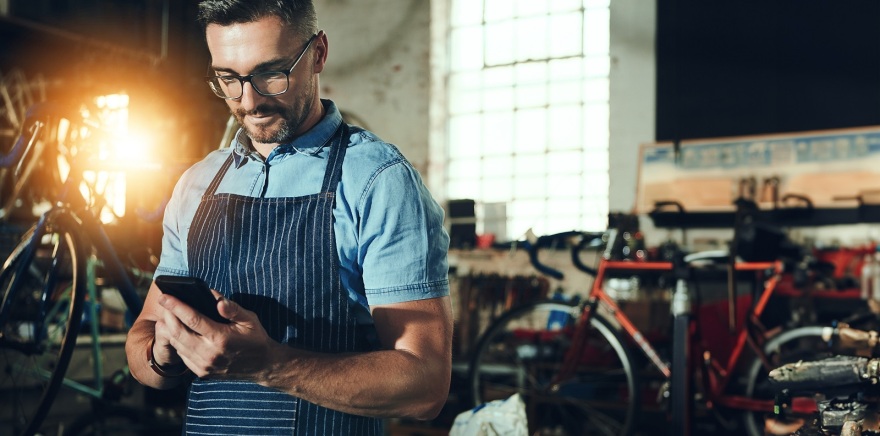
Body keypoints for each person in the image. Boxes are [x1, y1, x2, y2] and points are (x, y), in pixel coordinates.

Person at [124, 0, 453, 434]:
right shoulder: (197, 185)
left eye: (270, 73)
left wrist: (270, 366)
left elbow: (425, 386)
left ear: (317, 54)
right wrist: (162, 354)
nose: (249, 100)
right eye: (228, 79)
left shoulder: (377, 181)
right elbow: (141, 342)